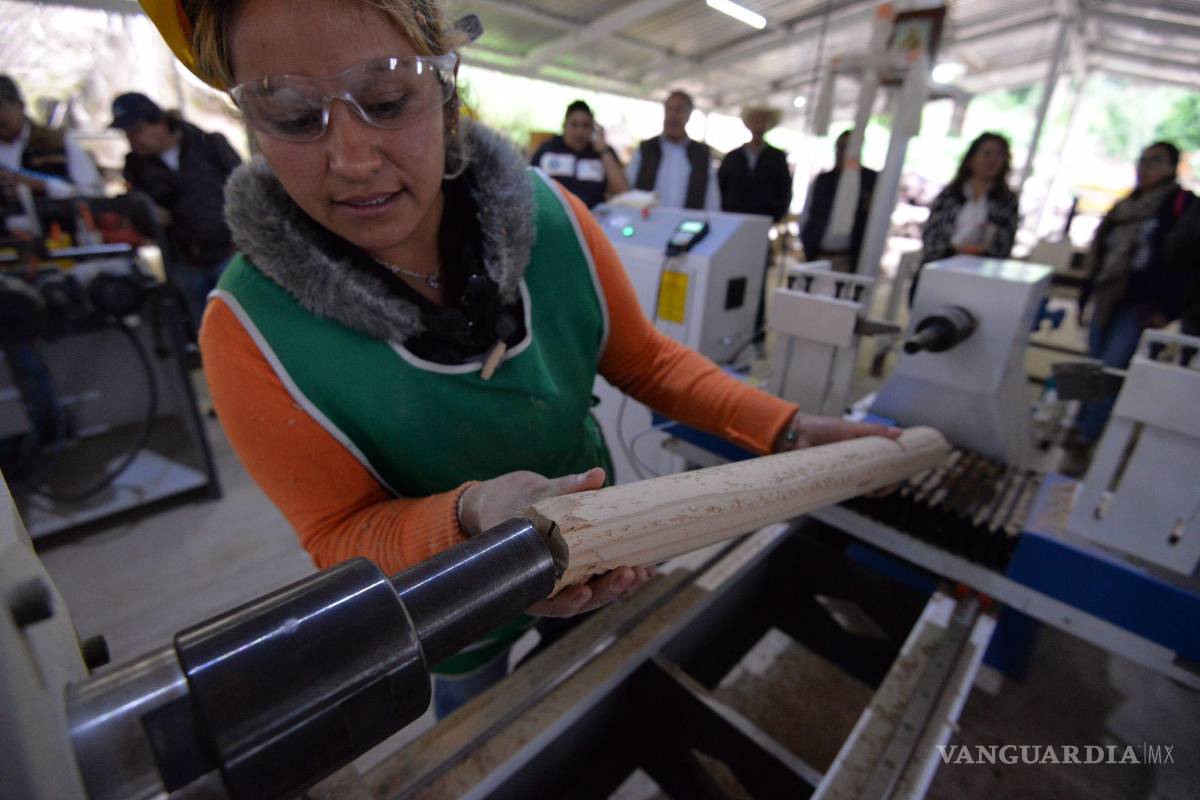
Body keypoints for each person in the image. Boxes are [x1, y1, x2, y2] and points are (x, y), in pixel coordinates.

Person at [148, 0, 897, 717]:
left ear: (446, 91)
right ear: (249, 122)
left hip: (596, 536)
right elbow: (340, 530)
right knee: (483, 718)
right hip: (446, 601)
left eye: (386, 100)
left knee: (607, 696)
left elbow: (646, 363)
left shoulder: (550, 218)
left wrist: (787, 427)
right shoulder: (251, 331)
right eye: (291, 115)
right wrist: (472, 520)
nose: (352, 160)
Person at [1067, 142, 1197, 470]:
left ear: (1171, 168)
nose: (1145, 167)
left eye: (1156, 161)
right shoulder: (1125, 204)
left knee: (1113, 368)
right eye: (1143, 159)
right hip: (1107, 296)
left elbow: (1186, 263)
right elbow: (1100, 253)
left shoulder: (1182, 206)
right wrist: (1085, 294)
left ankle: (1087, 438)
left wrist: (1168, 309)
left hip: (1141, 304)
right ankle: (1073, 425)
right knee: (1092, 364)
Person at [110, 92, 242, 325]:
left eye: (137, 131)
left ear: (159, 122)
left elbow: (246, 190)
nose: (133, 141)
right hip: (184, 261)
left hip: (230, 253)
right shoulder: (135, 167)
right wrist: (149, 215)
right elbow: (136, 215)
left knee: (245, 321)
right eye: (127, 135)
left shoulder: (208, 145)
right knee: (207, 327)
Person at [718, 105, 792, 345]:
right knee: (730, 278)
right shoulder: (733, 157)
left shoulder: (776, 157)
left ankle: (756, 334)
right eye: (755, 119)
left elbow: (784, 193)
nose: (759, 124)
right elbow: (721, 189)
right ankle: (728, 328)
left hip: (760, 229)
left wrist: (773, 216)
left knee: (757, 281)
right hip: (733, 228)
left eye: (763, 119)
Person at [915, 132, 1020, 299]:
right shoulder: (950, 194)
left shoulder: (1006, 201)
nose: (992, 161)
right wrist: (953, 250)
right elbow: (931, 234)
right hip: (940, 269)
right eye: (987, 154)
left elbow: (1005, 244)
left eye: (999, 156)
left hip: (979, 277)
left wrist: (980, 250)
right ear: (972, 158)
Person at [0, 74, 103, 199]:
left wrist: (42, 186)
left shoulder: (58, 142)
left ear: (19, 106)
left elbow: (92, 193)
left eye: (1, 107)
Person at [626, 90, 720, 211]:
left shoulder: (702, 154)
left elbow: (712, 199)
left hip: (687, 221)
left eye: (679, 109)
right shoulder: (646, 148)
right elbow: (628, 188)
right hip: (647, 219)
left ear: (689, 115)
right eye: (669, 109)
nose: (673, 115)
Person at [799, 130, 878, 273]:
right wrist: (808, 243)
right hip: (819, 253)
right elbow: (806, 214)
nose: (841, 153)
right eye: (839, 147)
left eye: (846, 148)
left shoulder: (870, 181)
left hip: (851, 257)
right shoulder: (823, 180)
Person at [530, 100, 628, 209]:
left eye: (586, 126)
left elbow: (623, 191)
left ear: (593, 129)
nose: (579, 132)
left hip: (593, 215)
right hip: (552, 212)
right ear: (564, 125)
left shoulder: (603, 153)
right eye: (574, 125)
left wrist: (603, 151)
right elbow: (529, 183)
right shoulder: (548, 149)